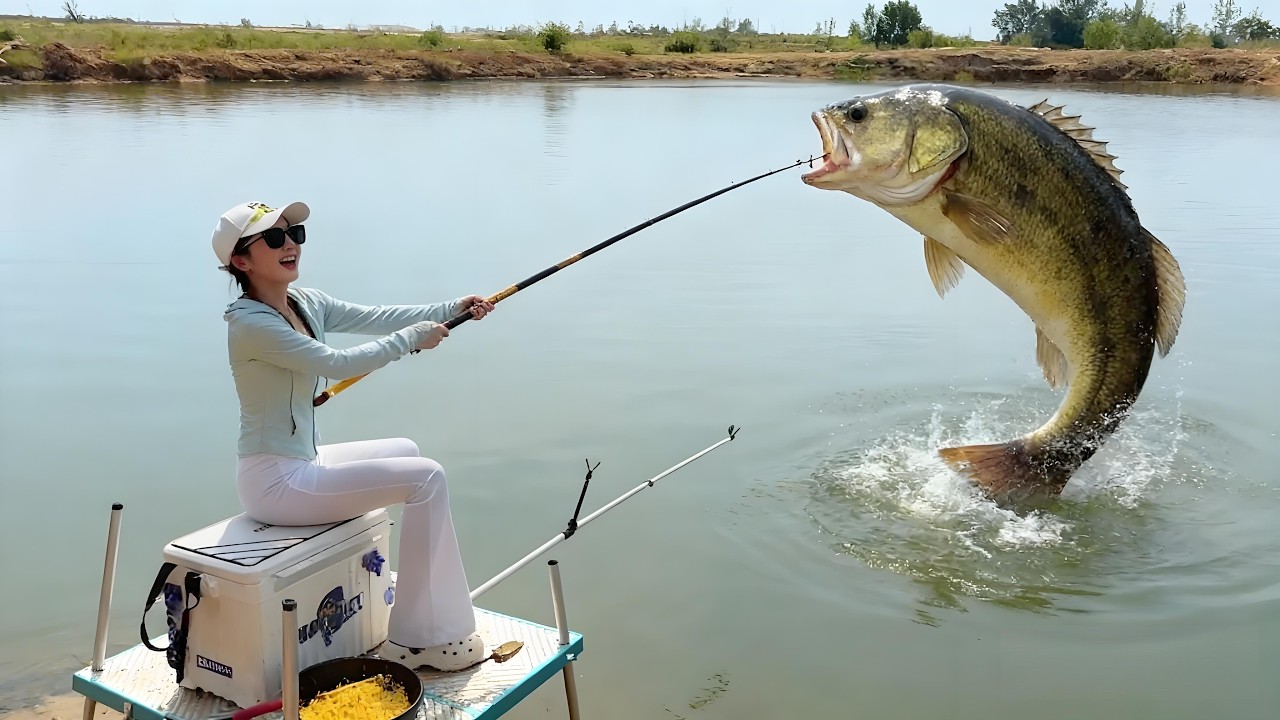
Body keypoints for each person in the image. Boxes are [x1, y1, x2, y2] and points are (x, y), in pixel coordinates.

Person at [210, 200, 496, 672]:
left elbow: (378, 317)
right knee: (427, 479)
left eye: (294, 235)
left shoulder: (305, 302)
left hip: (305, 464)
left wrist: (451, 309)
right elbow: (337, 363)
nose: (291, 246)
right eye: (276, 239)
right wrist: (412, 340)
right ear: (241, 261)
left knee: (407, 452)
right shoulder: (250, 323)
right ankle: (424, 638)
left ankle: (418, 605)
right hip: (274, 483)